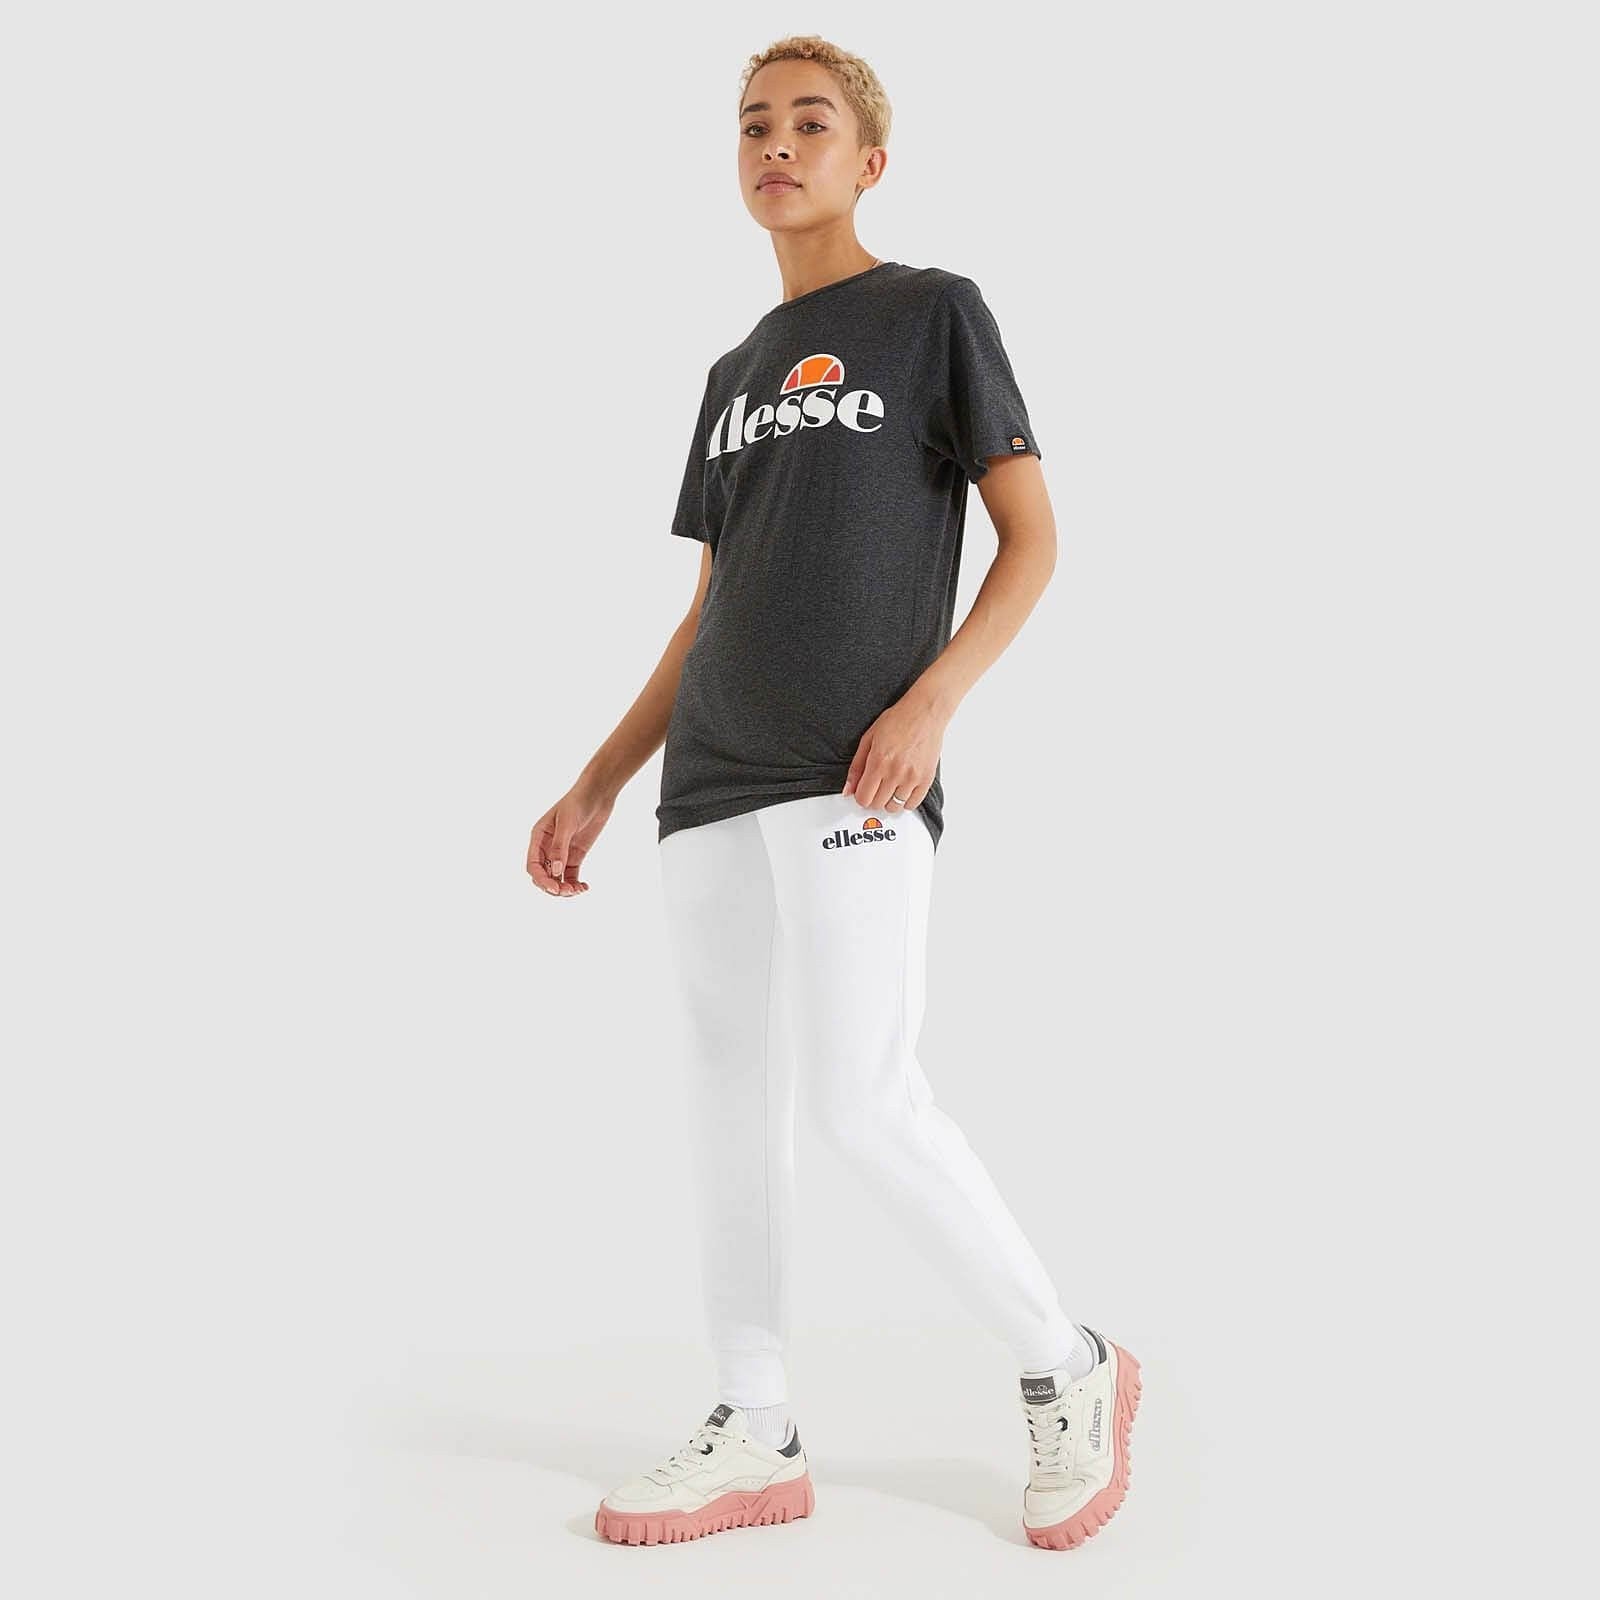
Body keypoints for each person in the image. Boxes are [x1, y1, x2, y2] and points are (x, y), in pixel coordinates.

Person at [525, 34, 1141, 1551]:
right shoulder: (731, 377)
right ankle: (756, 1420)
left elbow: (1034, 540)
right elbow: (707, 611)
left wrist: (933, 703)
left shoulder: (933, 313)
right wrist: (600, 779)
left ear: (869, 160)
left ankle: (1068, 1362)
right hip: (707, 782)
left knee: (866, 1098)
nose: (776, 146)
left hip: (854, 762)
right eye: (753, 125)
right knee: (729, 1105)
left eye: (809, 123)